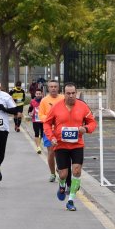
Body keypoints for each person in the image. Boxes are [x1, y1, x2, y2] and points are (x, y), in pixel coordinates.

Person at [43, 82, 97, 211]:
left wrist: (86, 128)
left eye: (73, 93)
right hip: (61, 145)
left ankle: (71, 200)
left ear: (76, 93)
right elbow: (46, 124)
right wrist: (52, 138)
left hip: (77, 144)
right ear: (64, 93)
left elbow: (92, 122)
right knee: (63, 174)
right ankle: (62, 185)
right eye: (68, 93)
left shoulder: (83, 106)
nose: (71, 96)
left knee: (77, 171)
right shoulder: (56, 107)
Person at [38, 80, 64, 182]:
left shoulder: (63, 98)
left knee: (61, 152)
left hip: (61, 130)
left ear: (58, 88)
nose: (53, 88)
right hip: (49, 130)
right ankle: (52, 173)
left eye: (55, 86)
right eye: (51, 87)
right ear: (48, 88)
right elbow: (41, 115)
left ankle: (60, 168)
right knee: (51, 152)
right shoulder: (44, 100)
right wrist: (50, 120)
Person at [28, 88, 44, 154]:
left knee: (43, 134)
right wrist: (30, 113)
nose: (38, 95)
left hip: (43, 120)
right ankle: (38, 147)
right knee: (36, 133)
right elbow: (29, 110)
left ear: (42, 94)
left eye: (39, 94)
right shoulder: (32, 101)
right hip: (35, 120)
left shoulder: (44, 101)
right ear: (35, 94)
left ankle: (39, 143)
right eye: (37, 94)